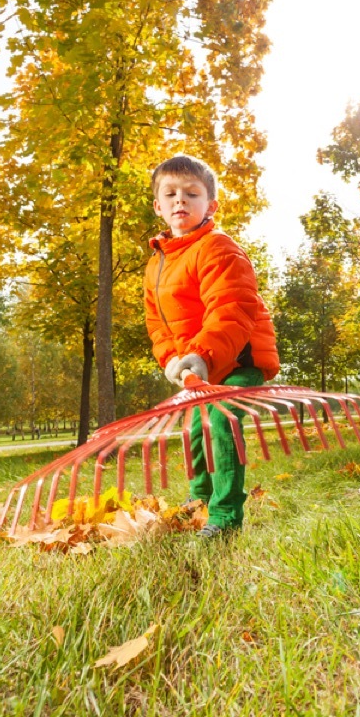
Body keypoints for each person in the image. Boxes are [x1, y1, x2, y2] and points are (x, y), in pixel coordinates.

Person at [144, 154, 280, 539]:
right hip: (197, 365)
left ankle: (224, 517)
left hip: (238, 357)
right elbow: (159, 324)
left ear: (211, 205)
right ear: (158, 206)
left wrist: (202, 355)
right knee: (194, 427)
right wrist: (172, 359)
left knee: (220, 420)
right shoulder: (157, 265)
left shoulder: (219, 248)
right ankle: (198, 502)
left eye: (192, 193)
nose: (180, 201)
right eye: (170, 194)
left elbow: (231, 310)